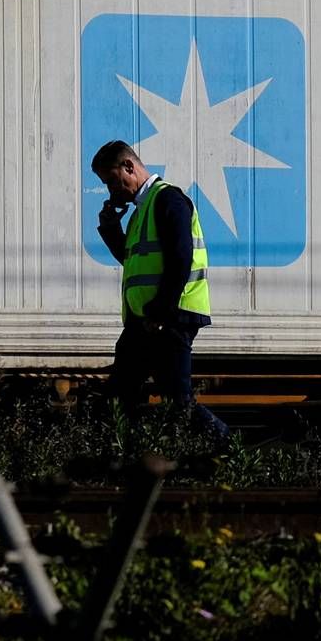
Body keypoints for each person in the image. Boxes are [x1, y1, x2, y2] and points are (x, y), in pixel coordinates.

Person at [90, 140, 228, 441]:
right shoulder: (143, 209)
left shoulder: (168, 200)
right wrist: (112, 229)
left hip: (170, 318)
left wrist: (163, 310)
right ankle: (126, 459)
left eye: (112, 181)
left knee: (176, 402)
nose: (111, 189)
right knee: (120, 396)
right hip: (149, 320)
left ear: (129, 166)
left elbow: (181, 258)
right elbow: (135, 262)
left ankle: (228, 450)